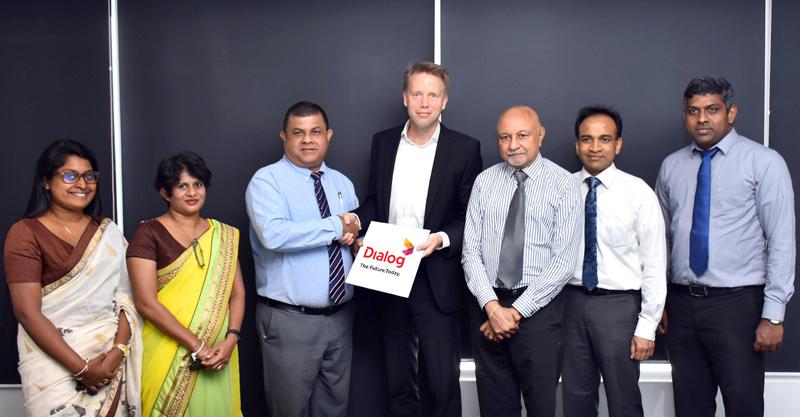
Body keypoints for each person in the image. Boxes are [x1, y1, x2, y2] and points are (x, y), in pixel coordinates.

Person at [656, 76, 795, 417]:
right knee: (690, 407)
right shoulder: (671, 166)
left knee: (743, 406)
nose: (702, 118)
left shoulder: (764, 162)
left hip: (738, 306)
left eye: (712, 110)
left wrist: (773, 315)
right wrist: (658, 300)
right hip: (682, 307)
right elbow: (662, 240)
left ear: (731, 113)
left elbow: (781, 239)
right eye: (693, 111)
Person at [354, 61, 482, 417]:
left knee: (441, 381)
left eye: (432, 94)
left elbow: (469, 215)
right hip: (388, 271)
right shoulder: (383, 142)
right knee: (397, 380)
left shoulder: (465, 148)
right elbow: (375, 201)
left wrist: (440, 239)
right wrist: (358, 227)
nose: (424, 102)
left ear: (444, 101)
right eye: (417, 93)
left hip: (435, 275)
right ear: (404, 98)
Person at [3, 139, 141, 417]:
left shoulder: (108, 233)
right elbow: (27, 312)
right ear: (46, 181)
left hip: (109, 359)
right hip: (53, 366)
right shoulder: (24, 233)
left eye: (89, 176)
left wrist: (116, 353)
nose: (82, 184)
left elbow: (127, 297)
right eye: (69, 175)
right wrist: (83, 368)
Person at [462, 105, 582, 417]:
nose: (513, 144)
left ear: (540, 136)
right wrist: (492, 307)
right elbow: (469, 252)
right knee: (495, 407)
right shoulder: (484, 182)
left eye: (522, 135)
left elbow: (563, 262)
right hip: (488, 308)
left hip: (538, 313)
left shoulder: (564, 184)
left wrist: (513, 313)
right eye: (504, 137)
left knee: (542, 407)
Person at [246, 101, 360, 417]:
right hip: (290, 321)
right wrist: (338, 226)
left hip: (340, 318)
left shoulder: (342, 183)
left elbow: (351, 239)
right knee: (289, 411)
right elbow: (275, 235)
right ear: (284, 136)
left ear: (329, 135)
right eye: (298, 132)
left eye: (315, 132)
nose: (307, 140)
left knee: (333, 409)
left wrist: (361, 241)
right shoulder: (266, 181)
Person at [561, 106, 666, 417]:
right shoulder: (561, 189)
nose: (595, 148)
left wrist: (647, 325)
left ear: (617, 144)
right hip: (571, 303)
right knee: (575, 398)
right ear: (576, 144)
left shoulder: (638, 193)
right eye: (587, 139)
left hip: (619, 308)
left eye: (604, 139)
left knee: (624, 399)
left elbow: (655, 263)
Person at [127, 152, 245, 417]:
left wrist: (231, 339)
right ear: (166, 193)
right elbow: (146, 303)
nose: (192, 192)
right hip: (167, 352)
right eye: (182, 186)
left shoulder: (223, 235)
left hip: (219, 354)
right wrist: (198, 346)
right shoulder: (148, 234)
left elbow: (237, 293)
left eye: (198, 184)